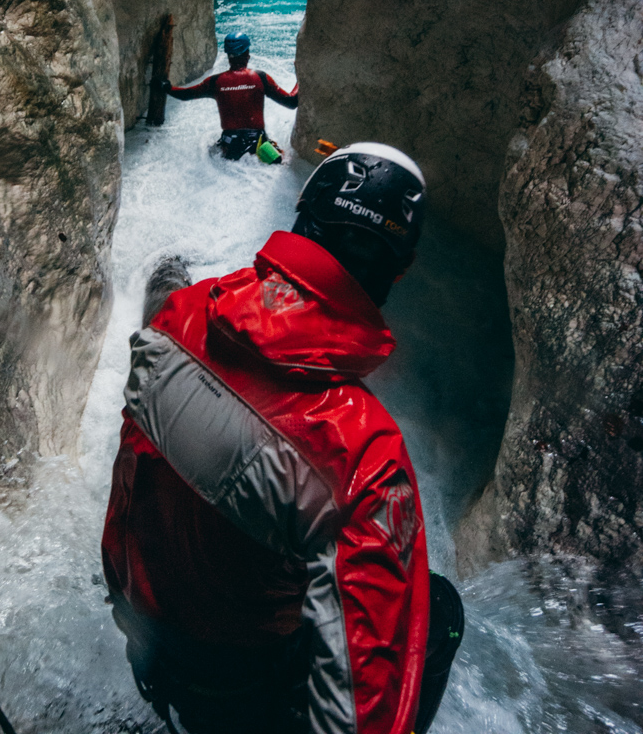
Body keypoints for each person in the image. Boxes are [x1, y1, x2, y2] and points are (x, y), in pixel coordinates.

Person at [102, 143, 464, 734]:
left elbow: (129, 475)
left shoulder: (181, 314)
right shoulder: (361, 448)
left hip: (146, 640)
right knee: (441, 607)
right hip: (243, 690)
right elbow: (360, 699)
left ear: (300, 221)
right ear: (395, 274)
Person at [160, 31, 297, 161]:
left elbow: (186, 95)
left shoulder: (214, 82)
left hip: (230, 146)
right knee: (282, 159)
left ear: (228, 55)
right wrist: (301, 80)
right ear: (247, 53)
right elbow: (291, 102)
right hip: (258, 146)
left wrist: (167, 87)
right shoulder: (260, 78)